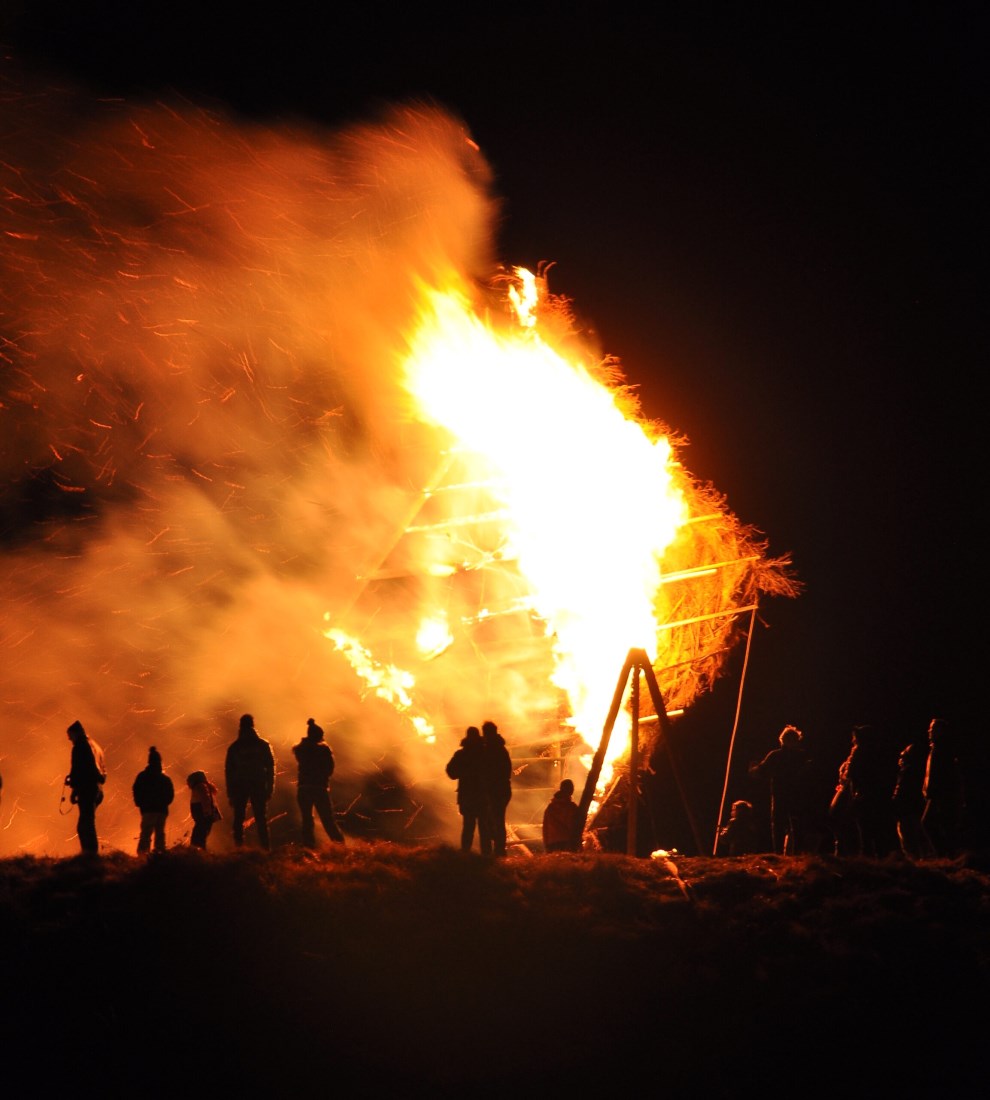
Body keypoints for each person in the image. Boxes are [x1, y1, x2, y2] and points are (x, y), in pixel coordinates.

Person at [748, 724, 810, 854]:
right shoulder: (802, 757)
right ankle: (797, 853)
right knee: (797, 825)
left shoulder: (775, 756)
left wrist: (753, 768)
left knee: (778, 825)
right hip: (798, 795)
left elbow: (761, 772)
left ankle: (778, 853)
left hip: (780, 794)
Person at [224, 713, 276, 850]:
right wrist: (270, 787)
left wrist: (230, 793)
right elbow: (270, 767)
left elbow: (229, 772)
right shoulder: (262, 745)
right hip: (258, 784)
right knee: (261, 819)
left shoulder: (235, 747)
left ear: (240, 726)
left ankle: (239, 848)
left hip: (240, 786)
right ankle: (265, 849)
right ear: (253, 725)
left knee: (238, 819)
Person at [292, 717, 346, 847]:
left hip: (304, 788)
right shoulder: (323, 750)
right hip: (319, 789)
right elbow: (329, 769)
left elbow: (300, 749)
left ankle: (309, 848)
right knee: (327, 819)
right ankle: (339, 846)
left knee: (307, 820)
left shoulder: (301, 749)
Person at [921, 717, 965, 857]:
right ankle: (948, 855)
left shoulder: (942, 749)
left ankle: (945, 854)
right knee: (943, 825)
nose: (929, 731)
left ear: (940, 731)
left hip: (941, 794)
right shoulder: (937, 748)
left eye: (932, 729)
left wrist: (935, 791)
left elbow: (944, 774)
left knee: (932, 823)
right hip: (938, 794)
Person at [446, 726, 490, 853]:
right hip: (483, 796)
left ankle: (466, 854)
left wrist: (463, 773)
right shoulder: (485, 753)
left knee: (469, 827)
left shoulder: (461, 754)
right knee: (484, 828)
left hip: (468, 796)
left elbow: (451, 772)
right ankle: (486, 856)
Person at [65, 719, 107, 855]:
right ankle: (90, 854)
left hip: (87, 789)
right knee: (87, 821)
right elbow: (98, 768)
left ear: (75, 733)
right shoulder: (95, 746)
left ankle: (89, 854)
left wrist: (74, 787)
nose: (70, 740)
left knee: (85, 825)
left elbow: (79, 769)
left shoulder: (80, 746)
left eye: (70, 736)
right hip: (97, 788)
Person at [892, 731, 929, 860]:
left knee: (908, 833)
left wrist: (895, 801)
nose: (900, 759)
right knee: (913, 832)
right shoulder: (918, 771)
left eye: (903, 756)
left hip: (907, 808)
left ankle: (915, 859)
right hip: (913, 806)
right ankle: (920, 857)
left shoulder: (908, 772)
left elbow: (902, 790)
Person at [132, 746, 175, 854]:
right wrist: (164, 804)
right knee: (160, 834)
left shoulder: (142, 776)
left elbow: (137, 791)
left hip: (147, 810)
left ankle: (142, 855)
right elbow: (170, 795)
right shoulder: (165, 779)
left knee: (146, 833)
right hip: (161, 811)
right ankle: (159, 854)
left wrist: (140, 804)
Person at [481, 720, 512, 858]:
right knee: (497, 819)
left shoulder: (489, 749)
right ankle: (499, 849)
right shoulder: (500, 748)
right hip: (502, 789)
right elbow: (507, 771)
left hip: (495, 790)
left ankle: (496, 850)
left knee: (493, 820)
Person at [542, 778, 582, 852]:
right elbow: (575, 826)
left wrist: (546, 845)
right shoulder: (572, 807)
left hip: (552, 843)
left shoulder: (551, 807)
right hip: (567, 843)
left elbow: (545, 828)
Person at [187, 770, 222, 850]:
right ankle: (200, 851)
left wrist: (206, 812)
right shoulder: (204, 786)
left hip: (203, 816)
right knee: (202, 834)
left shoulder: (200, 787)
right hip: (205, 816)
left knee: (198, 835)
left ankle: (197, 852)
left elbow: (205, 799)